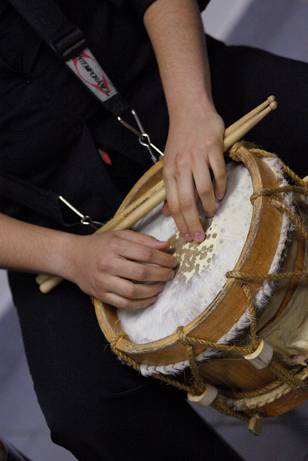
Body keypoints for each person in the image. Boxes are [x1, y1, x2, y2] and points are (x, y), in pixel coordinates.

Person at [0, 0, 307, 460]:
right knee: (88, 413)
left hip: (164, 87)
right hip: (48, 215)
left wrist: (191, 112)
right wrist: (68, 257)